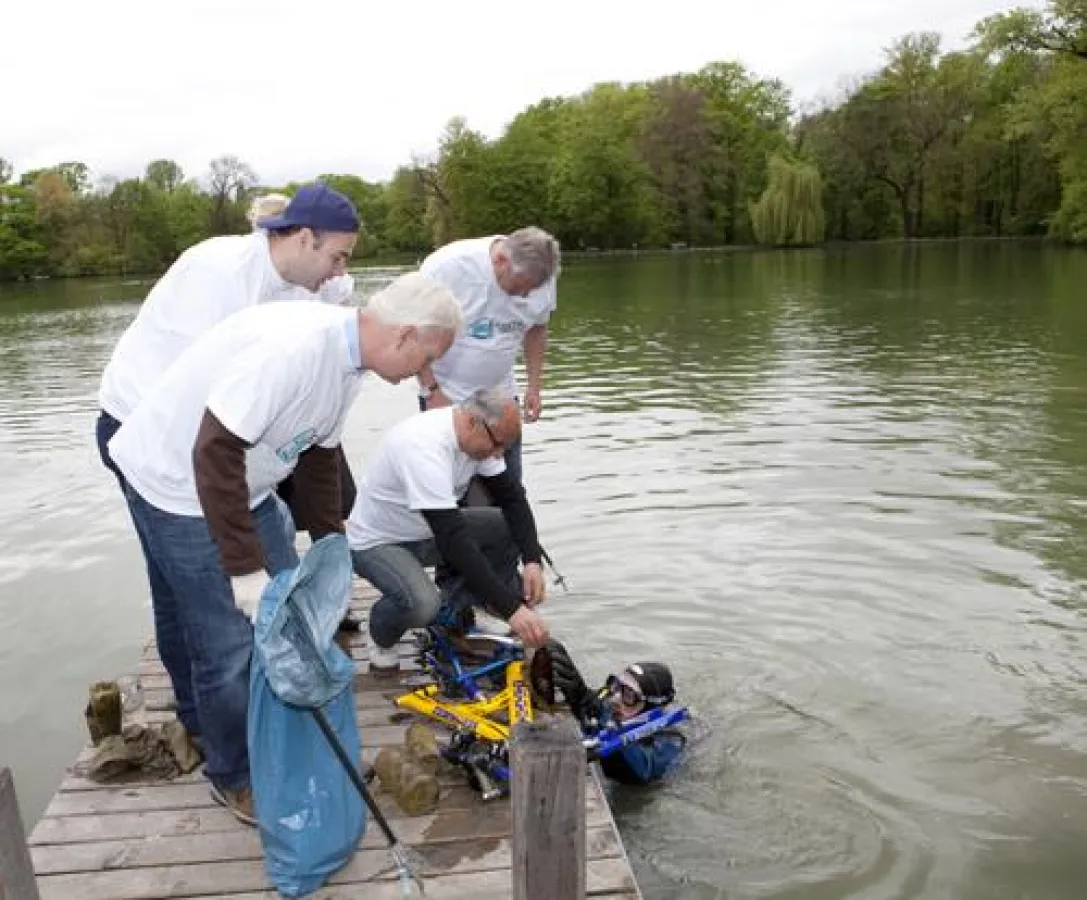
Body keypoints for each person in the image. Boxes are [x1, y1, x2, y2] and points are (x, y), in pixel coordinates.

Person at [106, 273, 460, 824]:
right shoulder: (294, 352)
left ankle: (286, 739)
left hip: (249, 485)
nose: (424, 373)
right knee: (226, 643)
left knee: (294, 619)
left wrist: (330, 542)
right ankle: (234, 775)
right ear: (406, 336)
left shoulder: (350, 360)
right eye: (426, 358)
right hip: (178, 485)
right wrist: (244, 572)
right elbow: (214, 452)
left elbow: (320, 452)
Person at [95, 183, 363, 632]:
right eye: (337, 258)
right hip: (142, 426)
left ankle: (279, 628)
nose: (339, 273)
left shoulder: (304, 283)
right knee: (180, 586)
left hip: (222, 431)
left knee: (315, 499)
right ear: (302, 239)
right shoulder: (219, 273)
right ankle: (194, 697)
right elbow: (199, 397)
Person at [346, 389, 551, 673]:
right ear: (472, 423)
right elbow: (454, 539)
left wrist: (531, 560)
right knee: (423, 605)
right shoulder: (422, 447)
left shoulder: (481, 437)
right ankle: (380, 632)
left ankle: (463, 607)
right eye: (497, 446)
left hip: (425, 532)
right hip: (377, 543)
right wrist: (511, 609)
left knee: (504, 527)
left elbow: (512, 498)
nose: (498, 454)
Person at [415, 227, 561, 484]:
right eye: (520, 287)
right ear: (501, 261)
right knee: (451, 485)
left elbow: (537, 329)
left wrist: (534, 387)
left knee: (507, 484)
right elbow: (415, 330)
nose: (527, 295)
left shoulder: (541, 273)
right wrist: (431, 391)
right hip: (448, 391)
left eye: (533, 289)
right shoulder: (448, 266)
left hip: (498, 395)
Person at [543, 642, 686, 785]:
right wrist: (579, 696)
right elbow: (592, 707)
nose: (614, 698)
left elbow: (643, 770)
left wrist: (607, 737)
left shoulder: (672, 740)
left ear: (650, 707)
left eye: (628, 694)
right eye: (616, 686)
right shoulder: (613, 702)